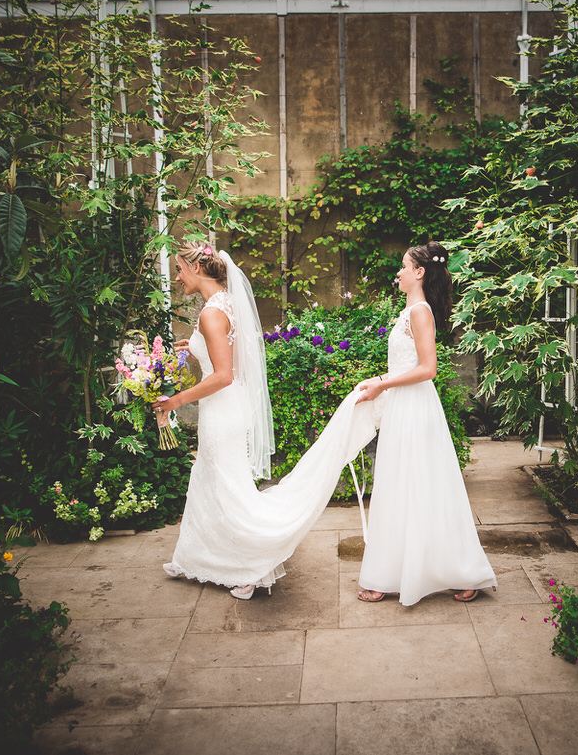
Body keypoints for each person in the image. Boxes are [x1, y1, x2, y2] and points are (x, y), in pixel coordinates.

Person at [154, 239, 380, 600]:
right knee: (213, 480)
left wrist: (175, 400)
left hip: (222, 410)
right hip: (230, 407)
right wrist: (195, 350)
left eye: (179, 269)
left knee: (228, 486)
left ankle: (252, 567)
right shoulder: (225, 303)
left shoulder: (210, 313)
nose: (177, 277)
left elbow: (223, 374)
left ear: (196, 268)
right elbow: (230, 361)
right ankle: (195, 558)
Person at [353, 242, 497, 605]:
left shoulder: (420, 311)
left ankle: (461, 571)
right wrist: (378, 381)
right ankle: (392, 572)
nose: (398, 273)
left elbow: (428, 369)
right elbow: (407, 366)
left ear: (419, 272)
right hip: (404, 405)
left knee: (423, 485)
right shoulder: (409, 311)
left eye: (403, 266)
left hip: (416, 409)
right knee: (401, 486)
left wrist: (382, 384)